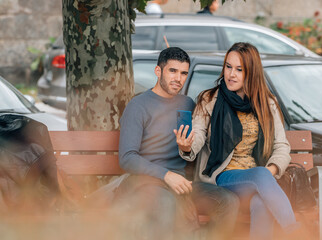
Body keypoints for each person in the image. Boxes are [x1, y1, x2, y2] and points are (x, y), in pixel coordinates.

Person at [177, 42, 299, 240]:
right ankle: (298, 234)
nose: (231, 74)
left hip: (259, 177)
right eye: (228, 67)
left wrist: (271, 172)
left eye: (239, 70)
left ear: (251, 73)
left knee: (261, 201)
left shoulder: (267, 103)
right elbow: (198, 134)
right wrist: (187, 145)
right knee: (260, 176)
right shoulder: (209, 99)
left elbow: (281, 146)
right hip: (222, 178)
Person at [118, 47, 239, 239]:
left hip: (182, 183)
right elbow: (127, 158)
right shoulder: (138, 106)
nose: (178, 78)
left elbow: (196, 144)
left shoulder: (187, 104)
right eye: (172, 71)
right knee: (167, 204)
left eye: (184, 73)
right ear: (158, 71)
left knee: (228, 201)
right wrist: (166, 176)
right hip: (147, 183)